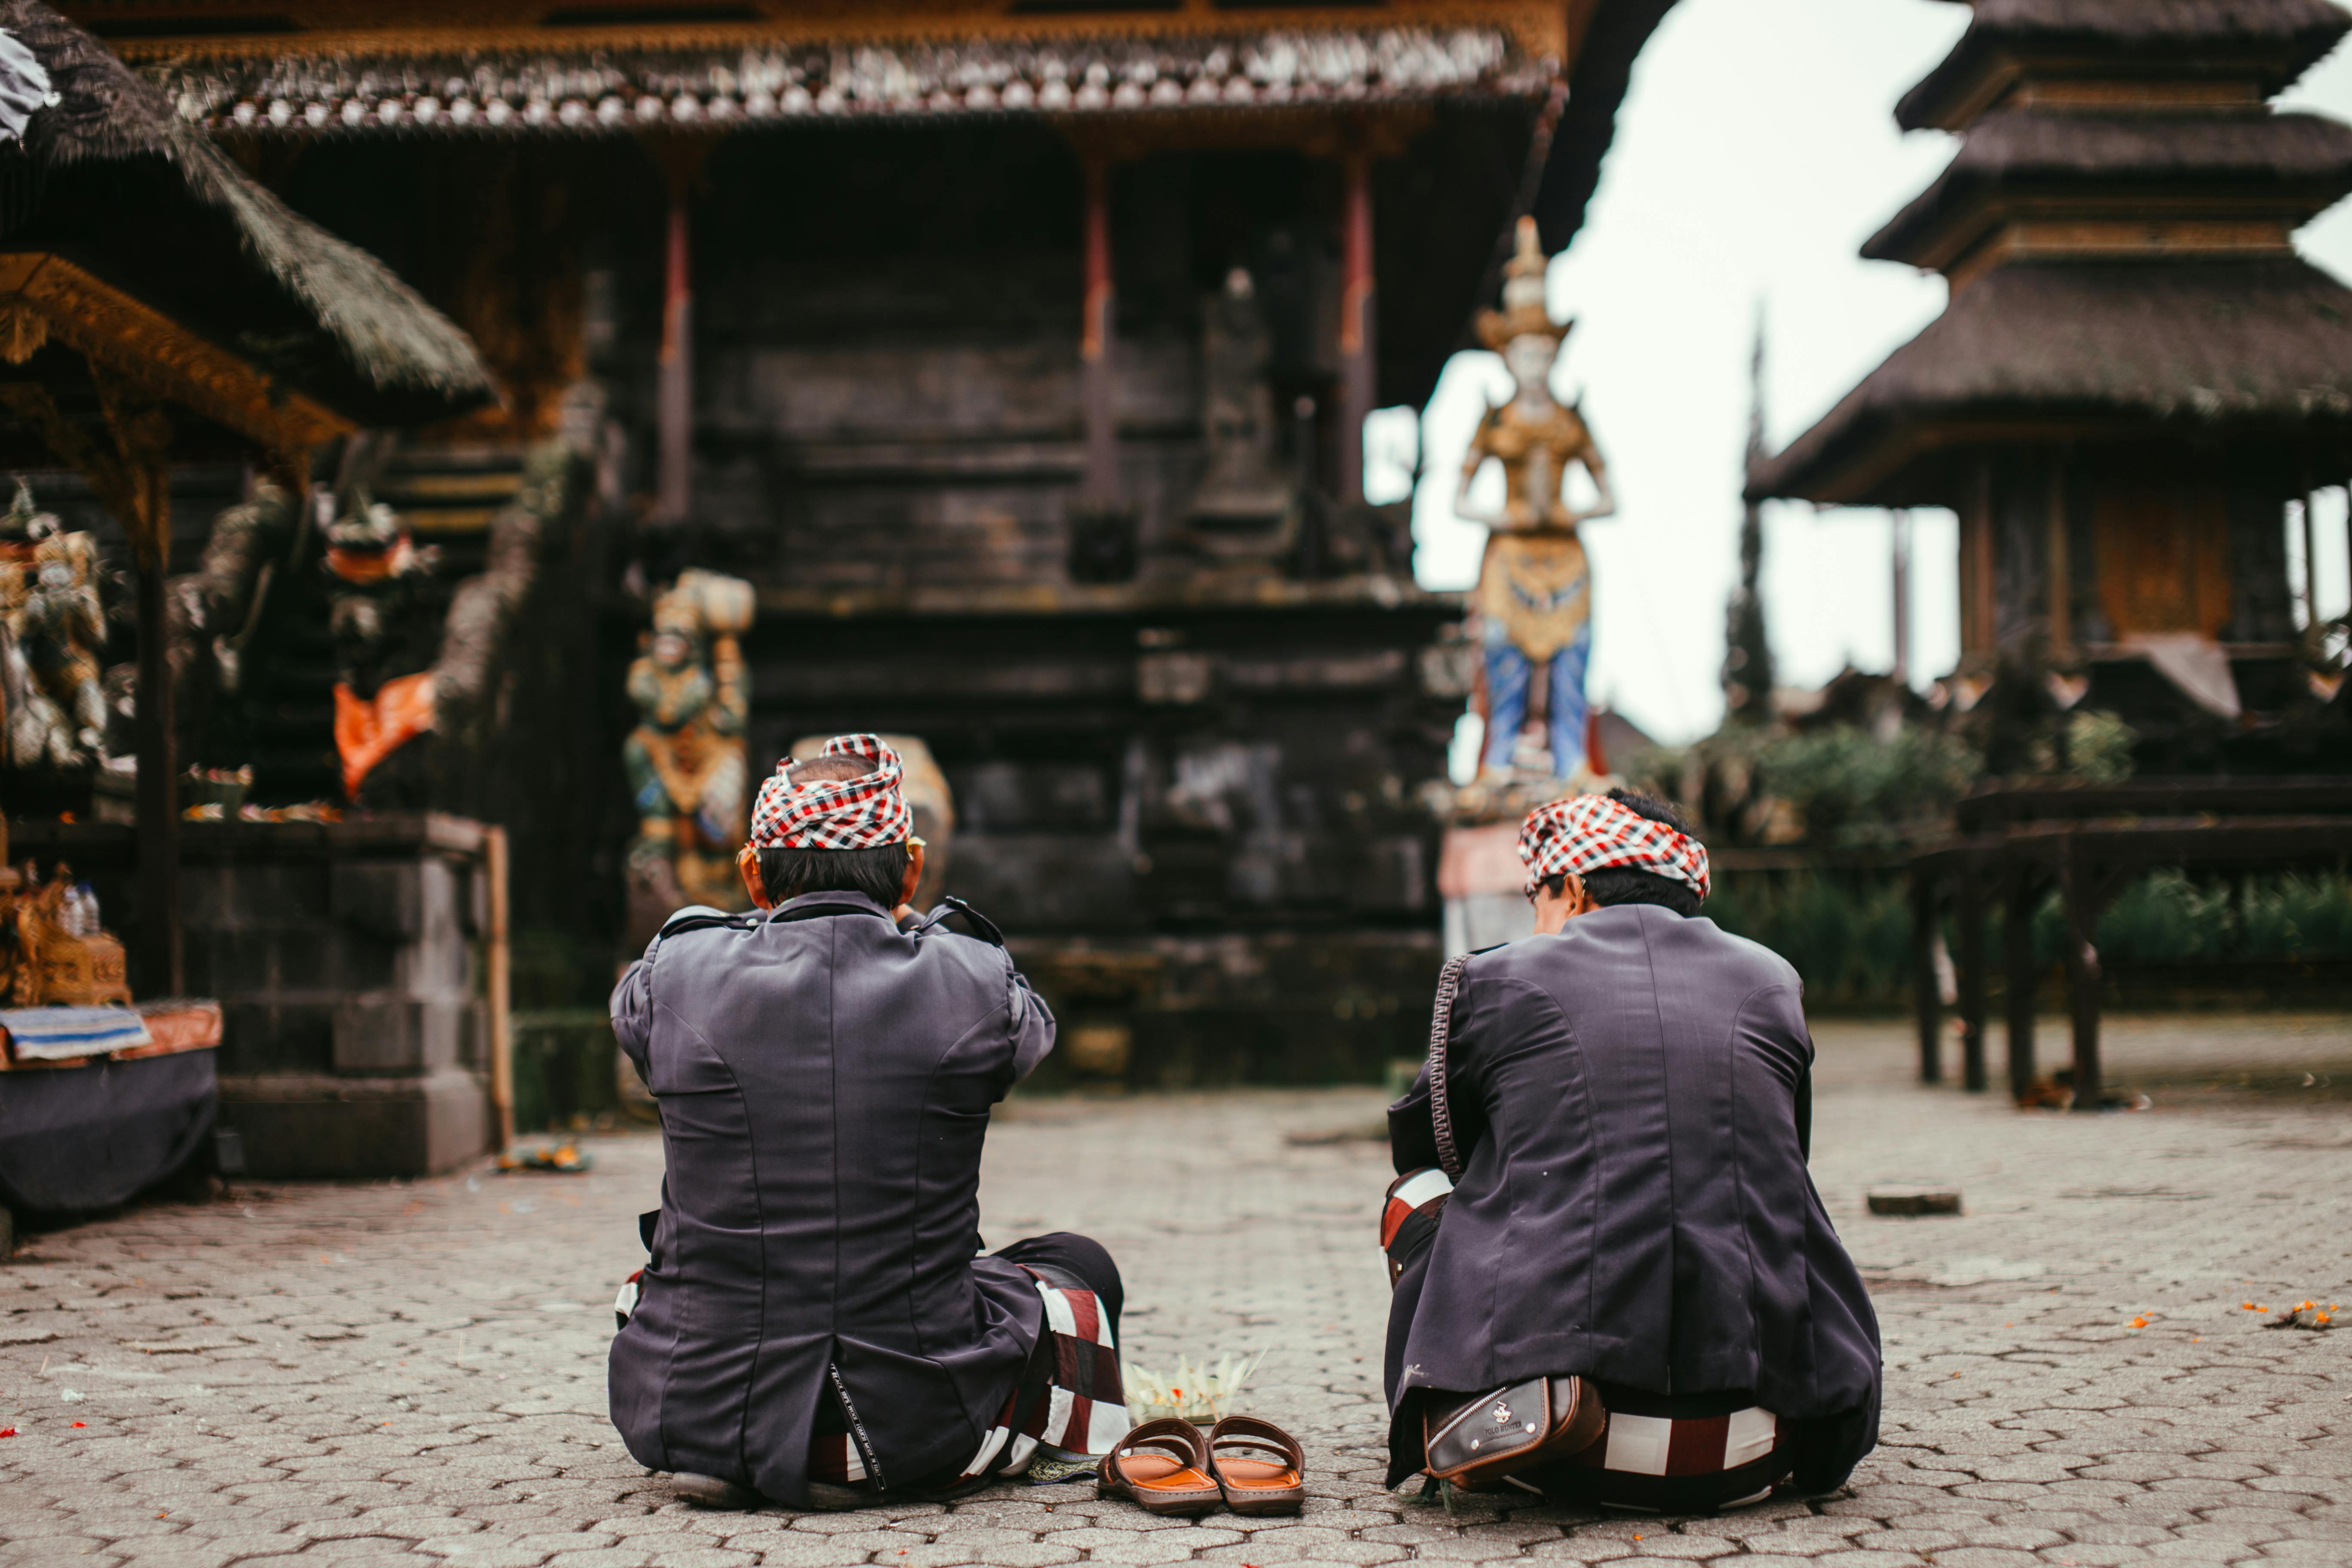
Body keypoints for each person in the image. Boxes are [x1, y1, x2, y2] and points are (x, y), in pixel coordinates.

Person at [609, 734, 1129, 1510]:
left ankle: (737, 1454)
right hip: (911, 1430)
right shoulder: (972, 977)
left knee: (645, 1284)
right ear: (912, 870)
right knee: (1076, 1265)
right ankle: (864, 1454)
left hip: (691, 1415)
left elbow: (638, 1027)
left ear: (753, 874)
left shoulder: (674, 973)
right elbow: (1028, 1035)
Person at [1382, 790, 1881, 1513]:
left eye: (1538, 897)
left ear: (1576, 890)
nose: (1535, 922)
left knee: (1417, 1195)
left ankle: (1448, 1423)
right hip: (1771, 1448)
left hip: (1546, 1444)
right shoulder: (1774, 979)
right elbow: (1789, 1147)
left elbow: (1429, 1147)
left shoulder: (1494, 978)